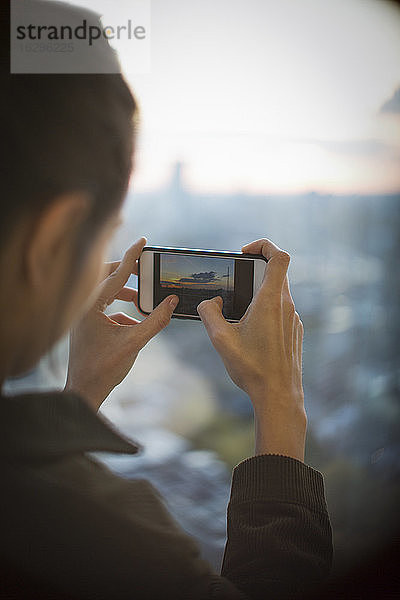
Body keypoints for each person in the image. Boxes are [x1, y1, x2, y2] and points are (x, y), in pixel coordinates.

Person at [0, 1, 333, 598]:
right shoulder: (106, 540)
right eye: (104, 230)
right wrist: (281, 405)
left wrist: (79, 398)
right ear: (52, 237)